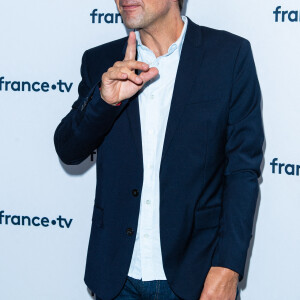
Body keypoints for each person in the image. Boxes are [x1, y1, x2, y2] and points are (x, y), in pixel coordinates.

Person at [54, 0, 264, 299]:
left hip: (196, 277)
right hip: (116, 277)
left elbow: (242, 171)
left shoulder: (229, 56)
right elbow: (69, 150)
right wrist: (105, 101)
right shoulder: (101, 60)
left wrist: (228, 267)